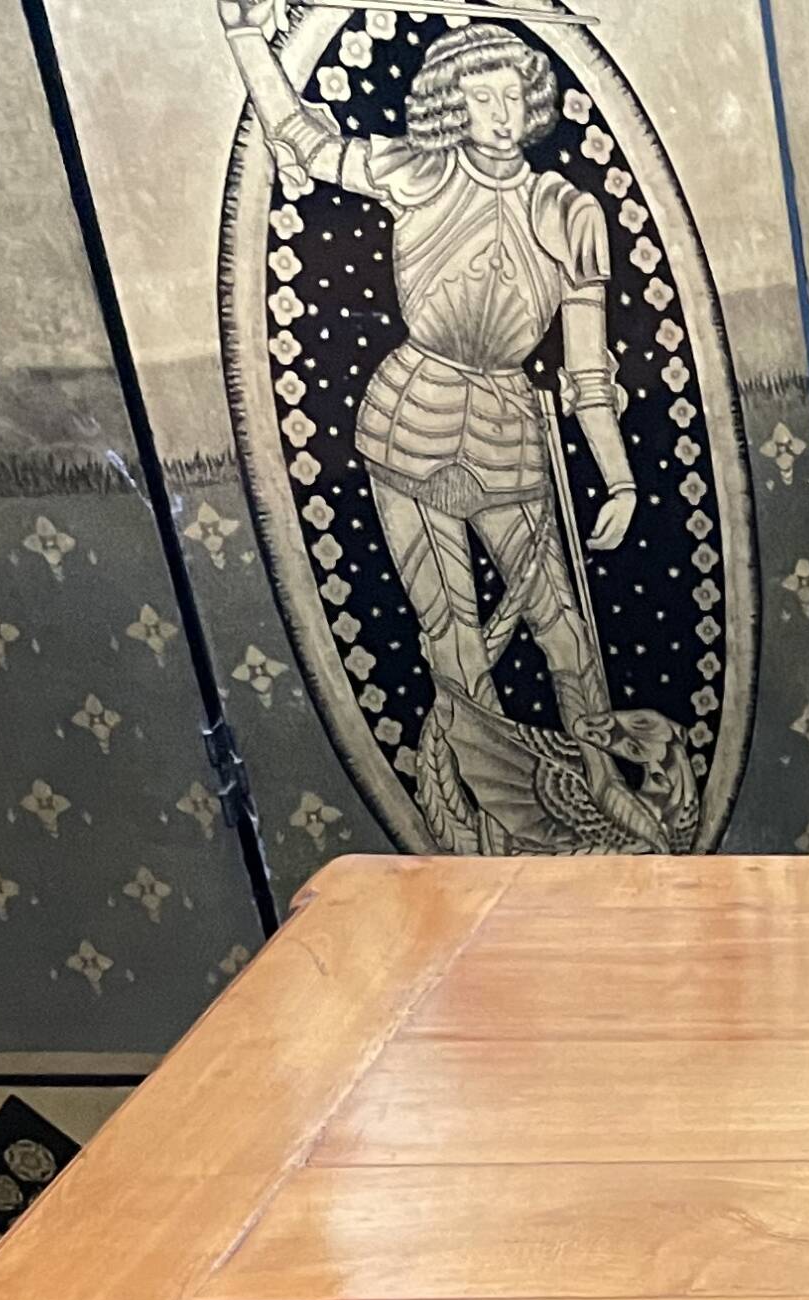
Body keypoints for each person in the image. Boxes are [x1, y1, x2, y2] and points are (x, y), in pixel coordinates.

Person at [218, 1, 671, 847]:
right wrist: (247, 38)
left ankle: (605, 783)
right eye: (481, 98)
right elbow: (303, 143)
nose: (501, 116)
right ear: (452, 105)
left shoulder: (568, 210)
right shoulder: (418, 172)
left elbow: (587, 370)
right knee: (449, 634)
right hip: (408, 418)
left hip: (507, 424)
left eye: (512, 97)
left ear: (533, 101)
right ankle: (483, 816)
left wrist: (620, 474)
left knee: (563, 627)